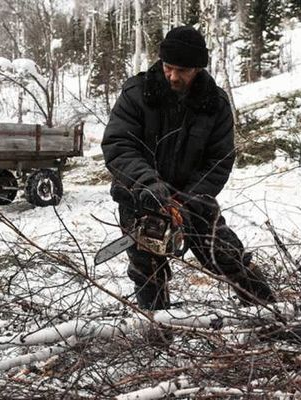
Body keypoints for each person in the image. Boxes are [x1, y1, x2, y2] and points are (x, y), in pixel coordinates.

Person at [102, 26, 276, 310]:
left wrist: (188, 199)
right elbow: (119, 146)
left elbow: (218, 161)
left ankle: (270, 314)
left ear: (197, 68)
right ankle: (157, 336)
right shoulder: (137, 94)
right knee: (148, 272)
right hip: (141, 197)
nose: (173, 76)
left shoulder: (215, 104)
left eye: (181, 70)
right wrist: (149, 185)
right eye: (168, 67)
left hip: (193, 199)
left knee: (227, 255)